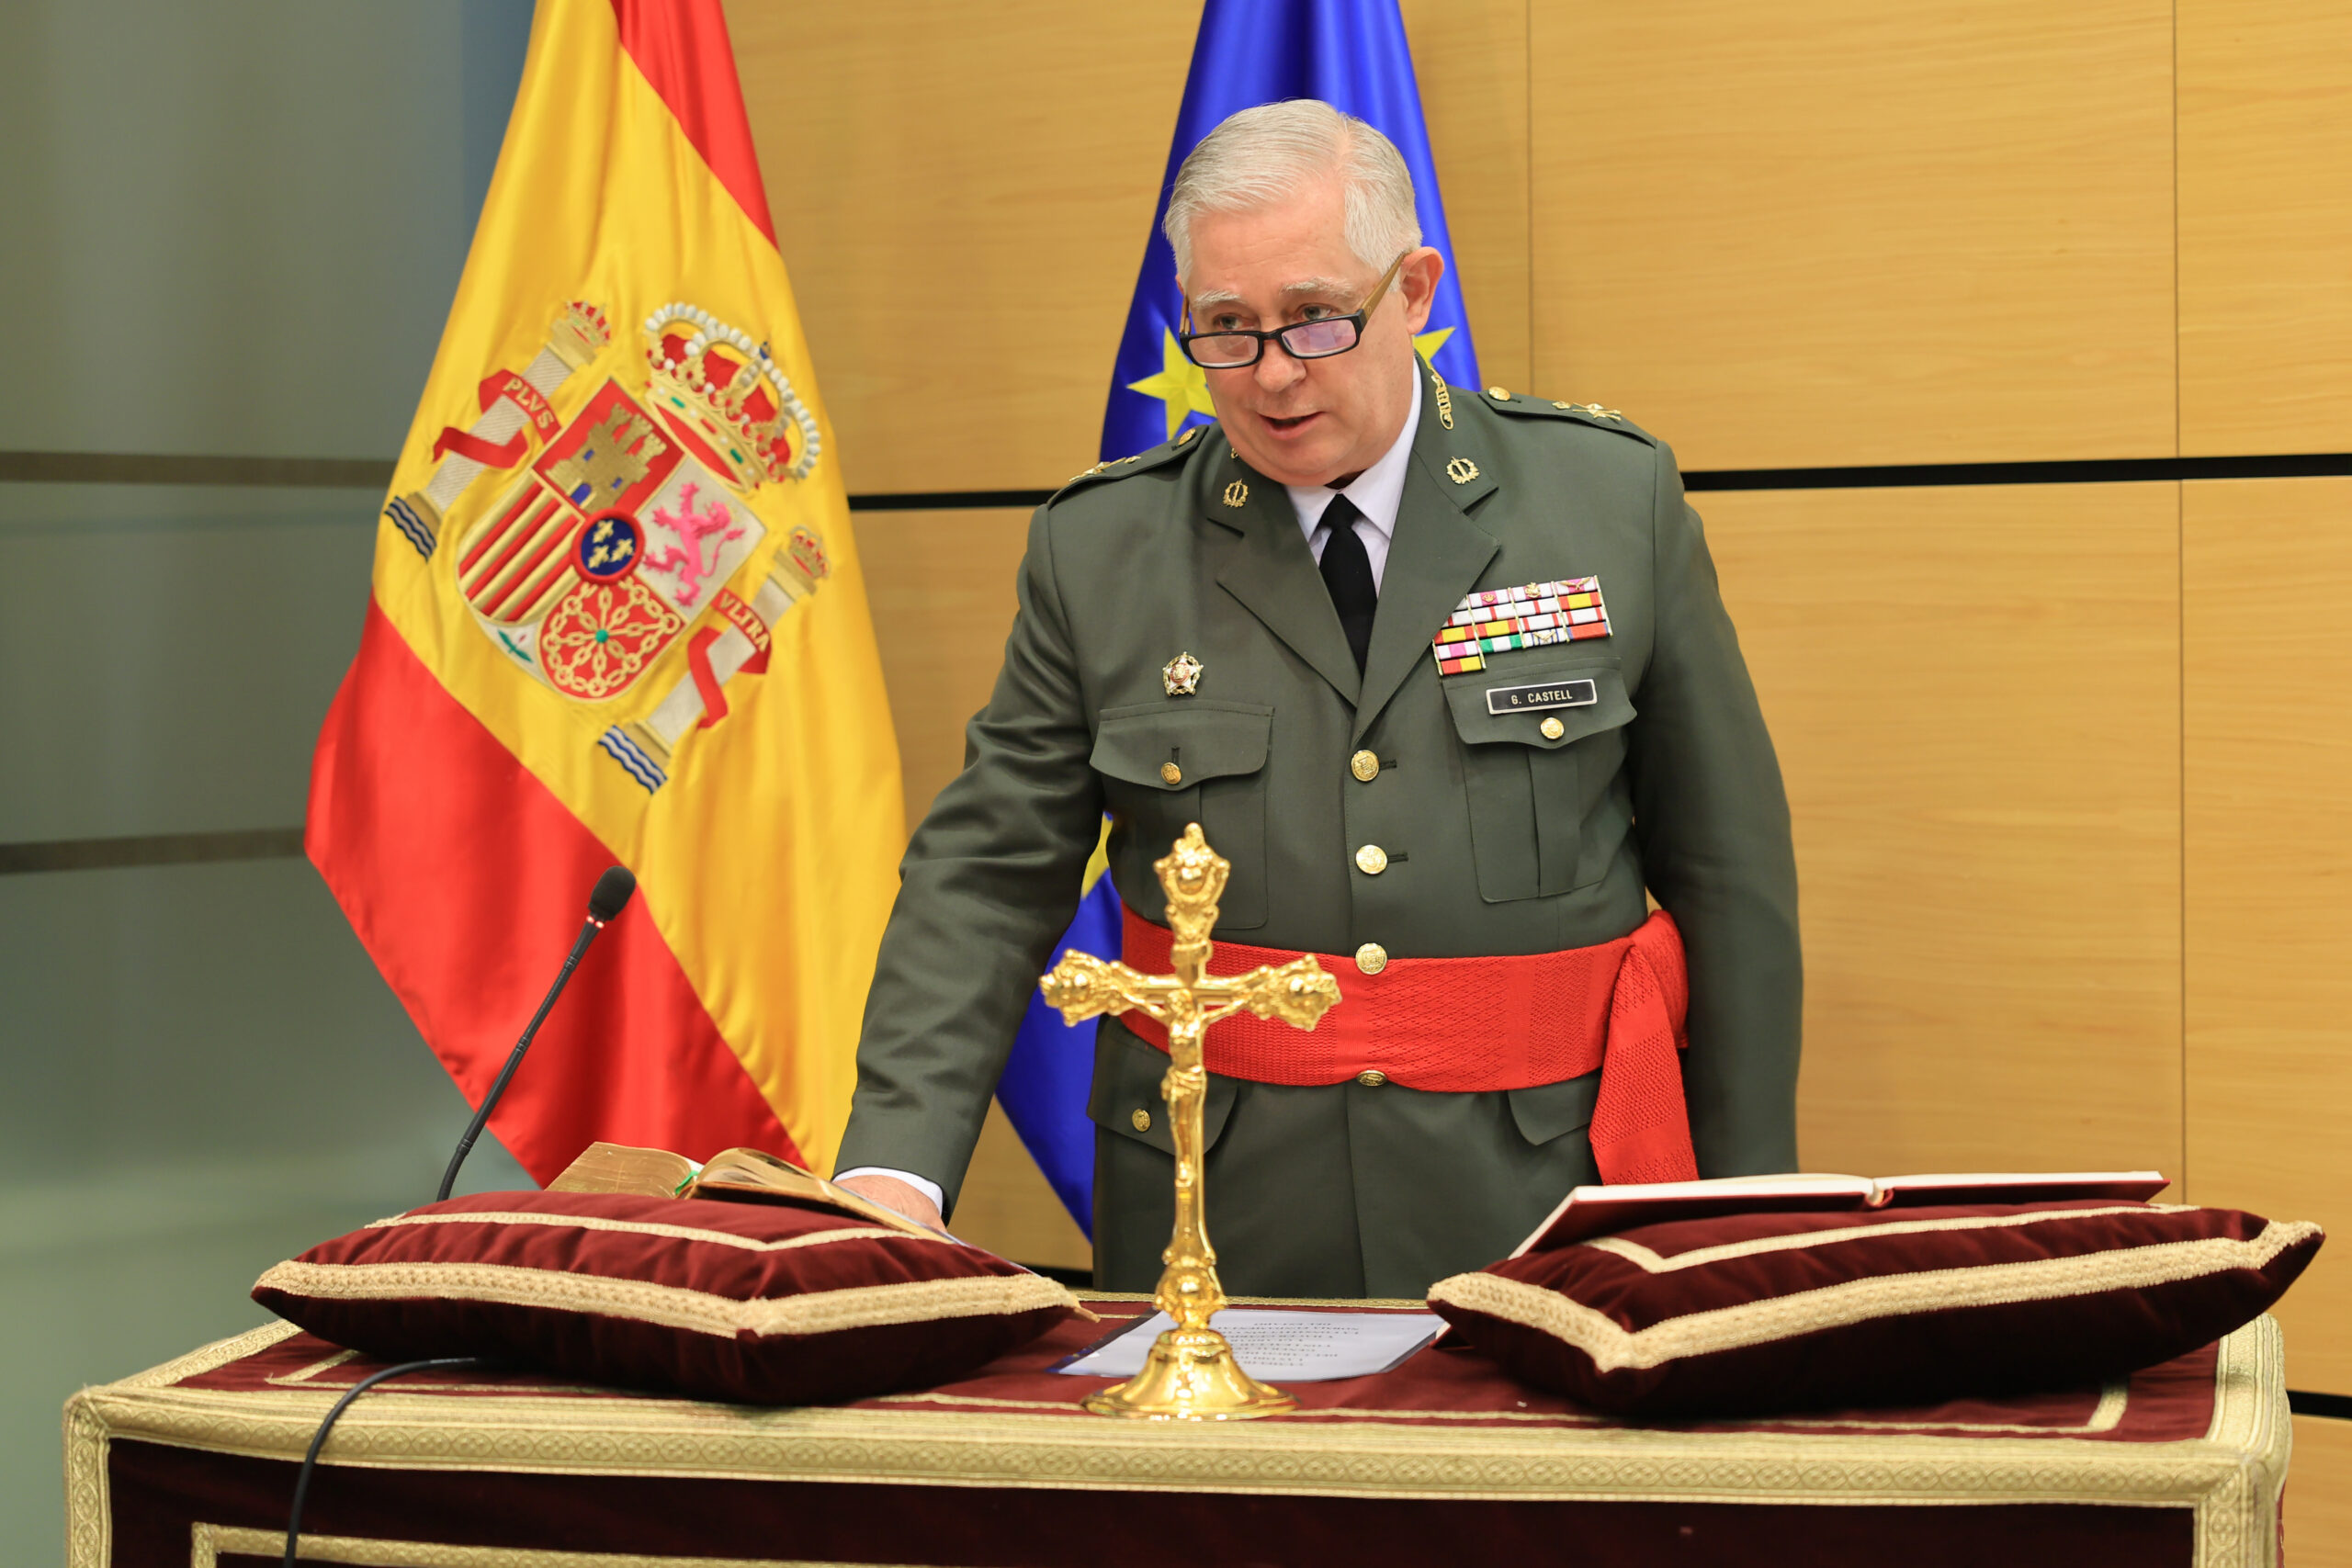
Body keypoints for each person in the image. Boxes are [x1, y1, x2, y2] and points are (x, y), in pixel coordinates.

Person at [834, 100, 1800, 1299]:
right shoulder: (1107, 550)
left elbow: (1730, 880)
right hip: (1215, 1209)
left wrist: (1751, 1205)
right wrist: (894, 1172)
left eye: (1314, 318)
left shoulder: (1605, 504)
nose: (1273, 375)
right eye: (1226, 330)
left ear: (1414, 291)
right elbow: (985, 878)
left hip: (1543, 1199)